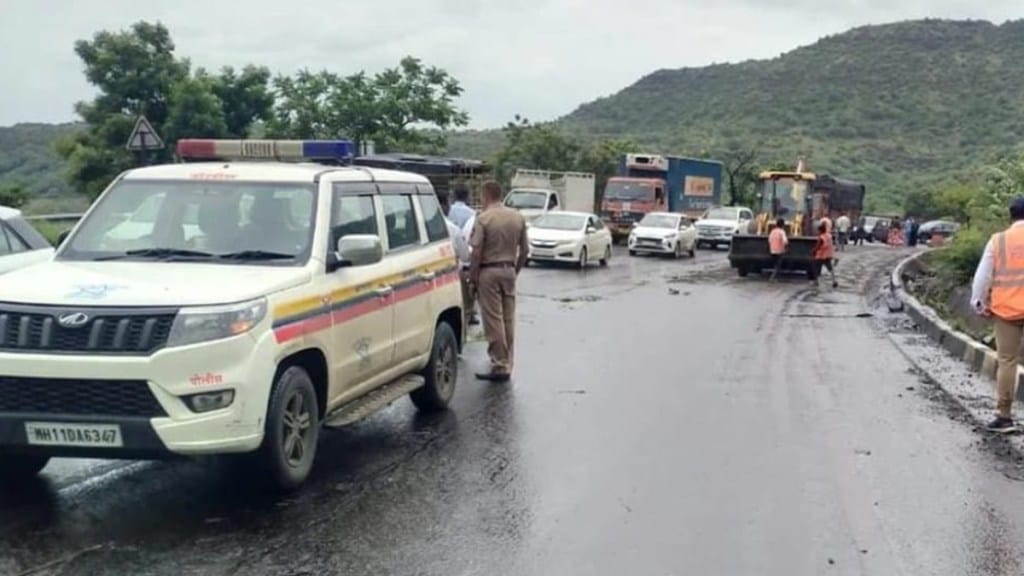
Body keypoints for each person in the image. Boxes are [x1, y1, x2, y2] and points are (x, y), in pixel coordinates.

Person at [971, 197, 1024, 433]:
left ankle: (1004, 416)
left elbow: (983, 276)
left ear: (1010, 216)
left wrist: (978, 302)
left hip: (1006, 310)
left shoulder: (998, 240)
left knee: (1007, 362)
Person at [469, 181, 529, 382]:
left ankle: (500, 365)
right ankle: (508, 362)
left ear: (486, 196)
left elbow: (476, 252)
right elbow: (526, 251)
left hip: (489, 272)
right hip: (509, 269)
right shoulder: (517, 217)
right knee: (508, 318)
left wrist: (473, 279)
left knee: (493, 319)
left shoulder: (484, 219)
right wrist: (515, 270)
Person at [811, 221, 837, 288]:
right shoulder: (829, 235)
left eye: (818, 231)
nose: (817, 232)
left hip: (820, 255)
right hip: (828, 254)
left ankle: (816, 281)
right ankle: (834, 281)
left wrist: (813, 251)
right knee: (830, 269)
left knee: (816, 268)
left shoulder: (821, 237)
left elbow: (818, 246)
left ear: (820, 231)